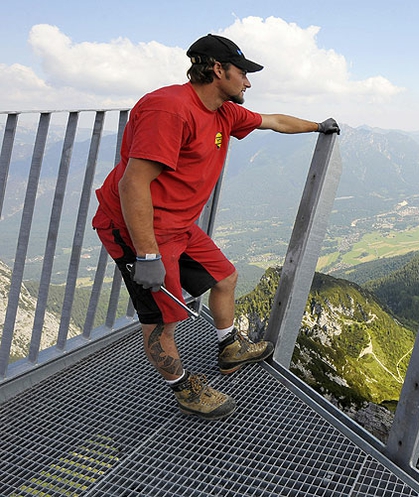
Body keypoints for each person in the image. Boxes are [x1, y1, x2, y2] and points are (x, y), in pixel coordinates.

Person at [92, 34, 340, 420]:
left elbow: (273, 121)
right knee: (163, 319)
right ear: (217, 69)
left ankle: (229, 347)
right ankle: (184, 388)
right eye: (243, 72)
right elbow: (132, 183)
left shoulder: (223, 112)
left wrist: (318, 126)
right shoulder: (170, 109)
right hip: (137, 228)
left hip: (179, 225)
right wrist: (147, 255)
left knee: (224, 277)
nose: (249, 82)